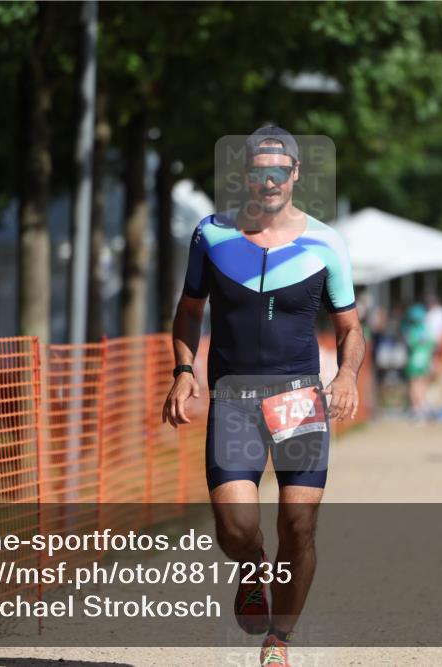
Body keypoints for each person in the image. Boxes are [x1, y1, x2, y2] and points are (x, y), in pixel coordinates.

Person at [163, 126, 364, 667]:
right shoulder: (212, 233)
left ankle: (280, 640)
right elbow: (188, 310)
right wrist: (184, 369)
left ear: (295, 174)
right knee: (236, 527)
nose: (270, 178)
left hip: (298, 398)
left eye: (280, 169)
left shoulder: (326, 243)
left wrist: (345, 376)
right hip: (233, 398)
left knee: (299, 524)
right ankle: (252, 565)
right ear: (246, 174)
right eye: (260, 169)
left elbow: (350, 328)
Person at [401, 303, 436, 420]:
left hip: (414, 361)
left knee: (414, 384)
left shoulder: (411, 330)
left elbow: (409, 345)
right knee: (421, 383)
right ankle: (420, 406)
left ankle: (417, 407)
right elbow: (431, 345)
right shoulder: (425, 329)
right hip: (424, 360)